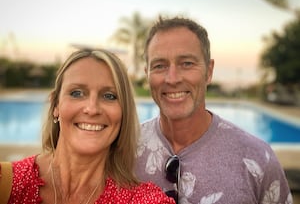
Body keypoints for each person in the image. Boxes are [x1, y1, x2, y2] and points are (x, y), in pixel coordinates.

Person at [135, 16, 292, 204]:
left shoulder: (258, 159)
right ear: (148, 75)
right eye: (160, 66)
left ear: (209, 72)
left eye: (187, 63)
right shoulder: (124, 152)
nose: (172, 78)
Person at [0, 48, 175, 204]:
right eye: (77, 93)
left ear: (124, 113)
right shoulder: (8, 184)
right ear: (55, 105)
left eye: (109, 96)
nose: (92, 109)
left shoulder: (142, 199)